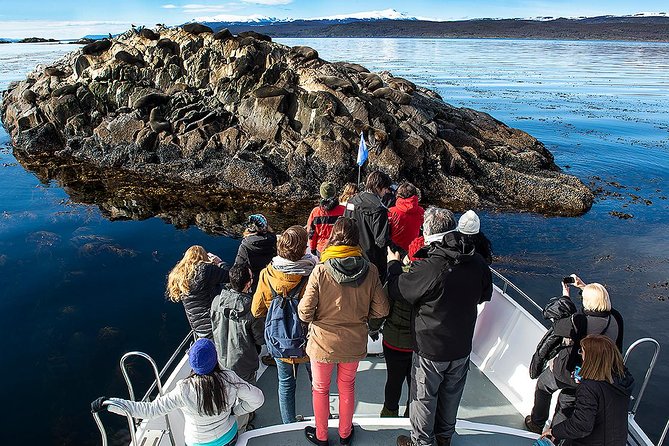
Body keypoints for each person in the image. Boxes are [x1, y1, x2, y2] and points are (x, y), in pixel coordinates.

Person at [390, 227, 493, 446]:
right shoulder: (478, 262)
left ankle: (421, 442)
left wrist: (393, 265)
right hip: (462, 343)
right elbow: (486, 294)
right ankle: (444, 437)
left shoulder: (433, 267)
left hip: (431, 346)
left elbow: (399, 290)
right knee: (451, 394)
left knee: (424, 398)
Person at [298, 217, 389, 446]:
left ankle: (321, 436)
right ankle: (345, 435)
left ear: (333, 238)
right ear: (355, 238)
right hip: (354, 342)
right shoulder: (370, 270)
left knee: (320, 388)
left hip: (322, 344)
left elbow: (304, 313)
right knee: (347, 386)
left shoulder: (320, 271)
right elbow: (382, 309)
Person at [91, 338, 264, 446]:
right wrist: (235, 412)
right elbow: (257, 399)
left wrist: (110, 404)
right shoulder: (229, 379)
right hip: (229, 438)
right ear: (215, 358)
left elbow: (148, 411)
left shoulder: (184, 389)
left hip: (198, 443)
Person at [372, 206, 457, 419]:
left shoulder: (399, 280)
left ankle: (389, 411)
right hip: (418, 344)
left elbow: (382, 309)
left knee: (393, 379)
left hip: (392, 341)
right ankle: (412, 412)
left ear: (410, 255)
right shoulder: (433, 280)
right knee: (415, 382)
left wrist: (372, 328)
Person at [525, 277, 625, 433]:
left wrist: (566, 297)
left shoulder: (580, 321)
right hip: (592, 375)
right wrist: (583, 286)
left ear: (588, 302)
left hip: (567, 371)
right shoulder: (616, 319)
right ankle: (554, 435)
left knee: (543, 386)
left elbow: (558, 326)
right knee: (567, 401)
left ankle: (536, 423)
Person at [251, 225, 318, 424]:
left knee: (286, 385)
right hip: (307, 342)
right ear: (303, 249)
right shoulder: (313, 273)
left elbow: (256, 311)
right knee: (317, 384)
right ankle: (321, 420)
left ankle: (288, 425)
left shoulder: (267, 274)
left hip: (280, 343)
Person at [540, 335, 633, 446]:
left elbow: (581, 425)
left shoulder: (589, 387)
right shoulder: (623, 381)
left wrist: (554, 431)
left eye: (582, 352)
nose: (581, 355)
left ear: (591, 358)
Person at [211, 264, 265, 385]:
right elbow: (260, 340)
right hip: (245, 365)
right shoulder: (253, 309)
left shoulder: (216, 302)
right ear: (247, 284)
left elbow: (214, 327)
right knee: (248, 397)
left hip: (222, 360)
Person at [167, 245, 229, 339]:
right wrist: (219, 262)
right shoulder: (206, 269)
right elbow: (233, 277)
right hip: (216, 324)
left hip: (198, 329)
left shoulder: (178, 277)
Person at [344, 170, 394, 282]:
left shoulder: (351, 202)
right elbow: (381, 240)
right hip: (371, 259)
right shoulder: (379, 209)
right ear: (379, 187)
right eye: (385, 188)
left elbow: (343, 226)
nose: (386, 192)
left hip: (351, 253)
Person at [233, 214, 277, 294]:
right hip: (273, 279)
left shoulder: (245, 246)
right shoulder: (274, 240)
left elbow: (239, 268)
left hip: (255, 284)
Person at [306, 181, 345, 257]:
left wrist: (312, 248)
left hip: (322, 249)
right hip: (340, 248)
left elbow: (311, 233)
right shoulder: (344, 210)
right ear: (334, 193)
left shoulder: (316, 212)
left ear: (321, 194)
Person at [388, 182, 425, 257]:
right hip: (413, 250)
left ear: (398, 195)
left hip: (395, 251)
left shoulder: (391, 212)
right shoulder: (421, 211)